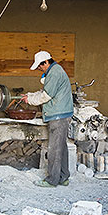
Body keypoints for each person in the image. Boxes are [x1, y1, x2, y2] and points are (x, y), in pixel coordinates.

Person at [21, 51, 74, 187]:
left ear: (46, 62)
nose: (40, 69)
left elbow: (45, 96)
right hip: (62, 114)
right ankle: (63, 177)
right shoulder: (55, 70)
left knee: (54, 149)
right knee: (61, 147)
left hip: (58, 116)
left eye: (40, 66)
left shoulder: (54, 73)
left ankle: (52, 180)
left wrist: (30, 100)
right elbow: (45, 92)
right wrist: (30, 95)